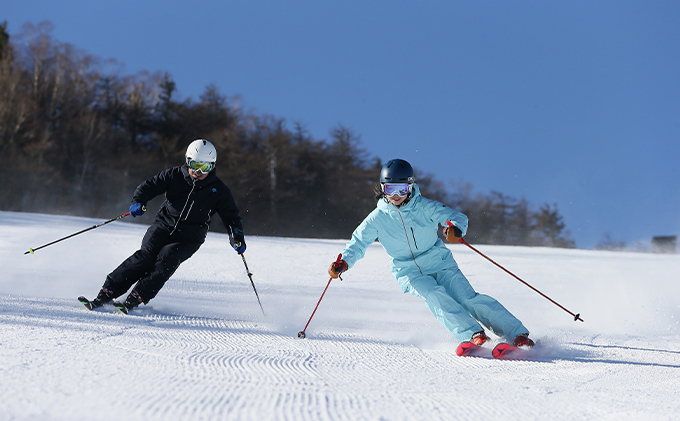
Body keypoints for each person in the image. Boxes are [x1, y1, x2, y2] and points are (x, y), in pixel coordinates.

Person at [327, 159, 534, 348]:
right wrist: (343, 262)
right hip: (408, 271)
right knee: (434, 295)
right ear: (383, 189)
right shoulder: (377, 218)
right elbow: (358, 242)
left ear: (410, 186)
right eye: (390, 189)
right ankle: (473, 335)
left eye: (401, 189)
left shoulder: (424, 207)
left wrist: (453, 229)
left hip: (439, 262)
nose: (396, 195)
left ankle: (516, 333)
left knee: (467, 298)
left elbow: (454, 217)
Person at [81, 139, 245, 313]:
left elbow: (232, 217)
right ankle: (107, 292)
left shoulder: (219, 190)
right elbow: (149, 186)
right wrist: (139, 201)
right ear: (188, 160)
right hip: (163, 225)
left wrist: (237, 237)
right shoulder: (174, 175)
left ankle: (137, 296)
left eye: (204, 168)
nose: (197, 172)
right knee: (146, 256)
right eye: (195, 165)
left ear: (212, 166)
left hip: (190, 237)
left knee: (167, 259)